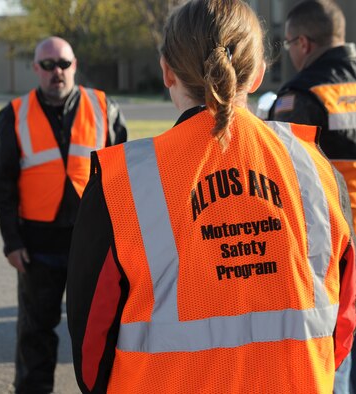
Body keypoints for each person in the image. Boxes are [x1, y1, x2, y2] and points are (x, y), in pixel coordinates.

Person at [67, 0, 356, 393]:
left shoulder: (122, 183)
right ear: (257, 75)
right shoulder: (318, 171)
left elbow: (91, 345)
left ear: (167, 71)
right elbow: (343, 320)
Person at [0, 36, 127, 394]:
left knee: (102, 331)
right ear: (36, 69)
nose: (57, 72)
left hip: (94, 244)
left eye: (63, 64)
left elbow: (124, 178)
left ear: (75, 65)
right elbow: (2, 185)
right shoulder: (14, 115)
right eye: (48, 65)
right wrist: (12, 242)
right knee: (35, 333)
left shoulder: (103, 108)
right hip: (37, 247)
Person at [267, 1, 356, 392]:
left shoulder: (301, 95)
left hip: (333, 253)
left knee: (332, 359)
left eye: (287, 44)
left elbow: (280, 184)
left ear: (303, 43)